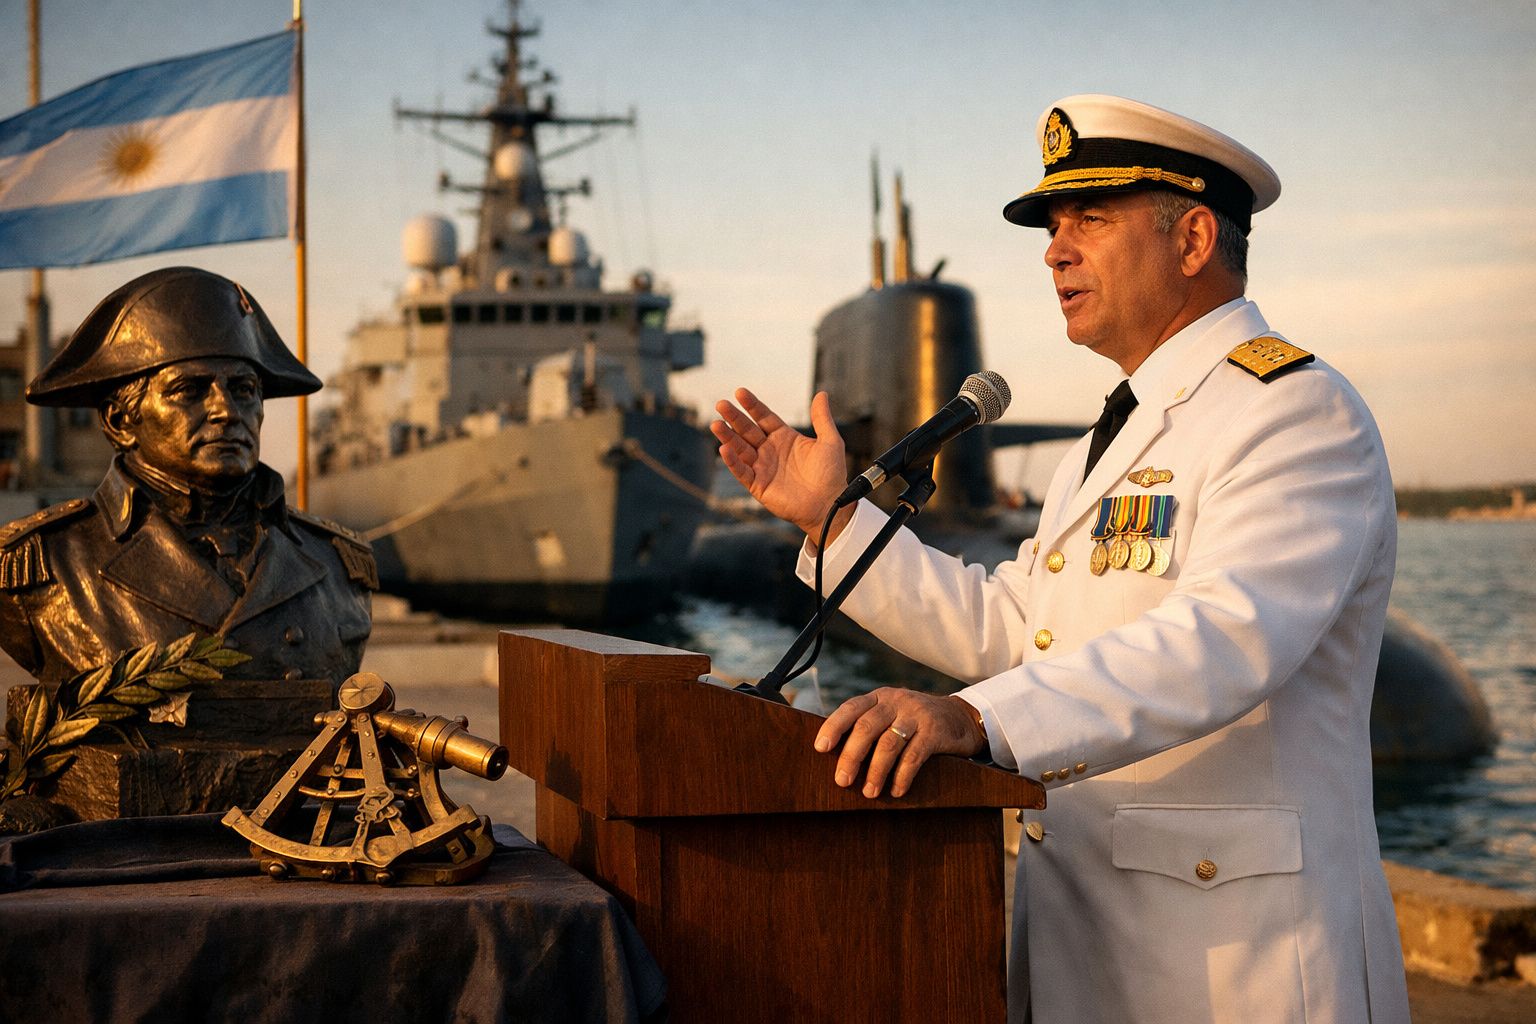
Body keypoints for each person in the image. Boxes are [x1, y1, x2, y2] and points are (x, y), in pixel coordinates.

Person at [712, 95, 1410, 1023]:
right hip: (1089, 954)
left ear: (1194, 238)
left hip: (1237, 968)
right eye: (1052, 226)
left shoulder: (1291, 409)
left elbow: (1223, 638)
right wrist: (831, 526)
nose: (1054, 249)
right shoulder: (1112, 439)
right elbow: (1018, 627)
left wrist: (973, 720)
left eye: (1090, 219)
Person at [0, 266, 376, 689]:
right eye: (189, 390)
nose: (227, 411)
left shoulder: (337, 563)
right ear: (120, 420)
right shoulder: (45, 566)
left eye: (244, 389)